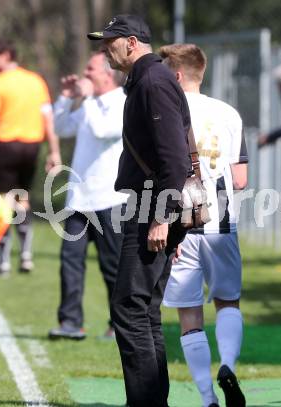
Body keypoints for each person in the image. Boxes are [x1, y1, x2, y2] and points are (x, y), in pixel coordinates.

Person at [89, 15, 191, 407]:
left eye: (109, 42)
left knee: (128, 308)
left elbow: (175, 158)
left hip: (153, 208)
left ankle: (145, 402)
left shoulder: (153, 81)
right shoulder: (149, 80)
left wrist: (164, 219)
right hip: (152, 206)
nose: (104, 49)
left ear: (131, 42)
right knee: (144, 310)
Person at [159, 44, 248, 407]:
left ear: (177, 76)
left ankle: (208, 398)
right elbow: (240, 179)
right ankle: (227, 364)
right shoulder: (228, 113)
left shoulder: (165, 112)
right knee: (228, 302)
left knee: (189, 315)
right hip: (221, 222)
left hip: (180, 223)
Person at [48, 52, 127, 340]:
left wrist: (87, 98)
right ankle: (70, 322)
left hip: (111, 199)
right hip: (79, 200)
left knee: (113, 267)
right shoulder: (89, 104)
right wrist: (67, 98)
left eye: (90, 68)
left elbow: (102, 129)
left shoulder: (122, 103)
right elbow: (60, 127)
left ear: (107, 75)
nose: (84, 72)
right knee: (70, 261)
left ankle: (119, 324)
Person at [0, 39, 61, 276]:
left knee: (2, 202)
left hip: (4, 146)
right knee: (22, 198)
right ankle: (25, 254)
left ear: (5, 55)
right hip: (31, 147)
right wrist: (53, 150)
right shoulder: (36, 81)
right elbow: (48, 118)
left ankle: (2, 260)